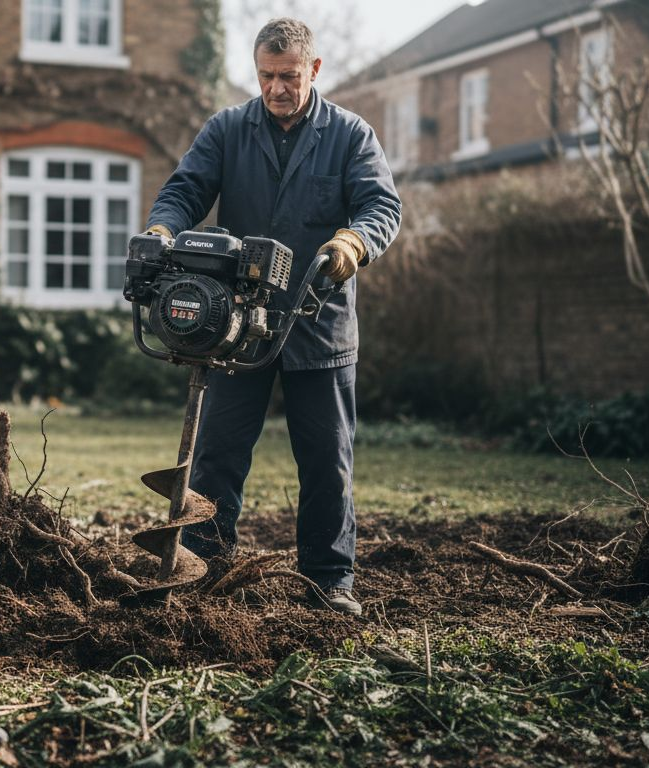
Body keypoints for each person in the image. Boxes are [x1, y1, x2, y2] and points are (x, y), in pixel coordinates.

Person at [142, 19, 401, 615]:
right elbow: (185, 190)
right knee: (217, 456)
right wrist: (161, 228)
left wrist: (355, 241)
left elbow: (381, 204)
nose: (276, 88)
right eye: (266, 76)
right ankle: (203, 569)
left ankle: (329, 583)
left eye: (289, 76)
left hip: (319, 323)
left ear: (314, 70)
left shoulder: (350, 136)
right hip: (239, 324)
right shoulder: (228, 130)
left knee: (327, 462)